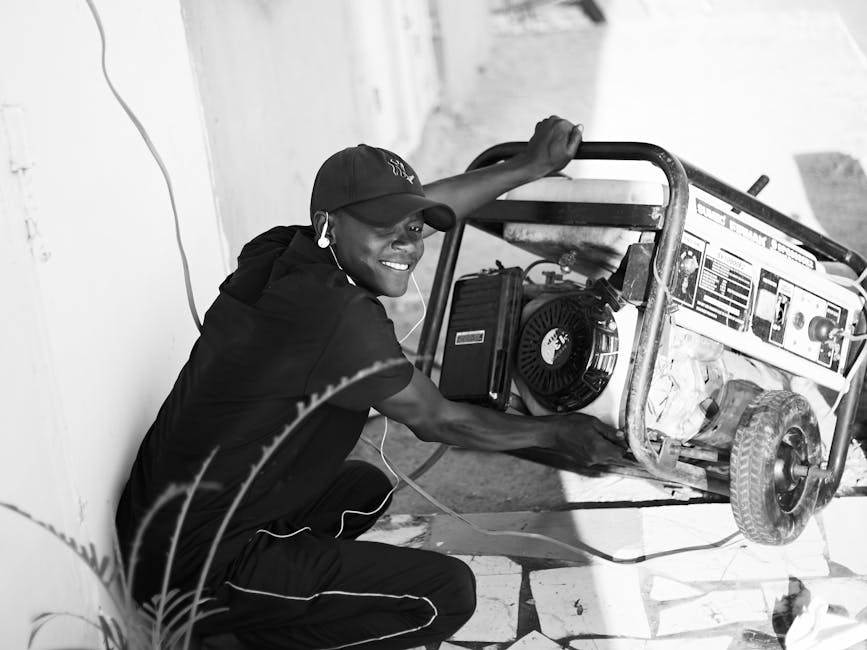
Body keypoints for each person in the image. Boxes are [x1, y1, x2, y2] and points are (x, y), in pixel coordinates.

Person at [115, 116, 625, 650]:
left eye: (413, 228)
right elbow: (437, 420)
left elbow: (415, 212)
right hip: (192, 568)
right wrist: (557, 431)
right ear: (327, 225)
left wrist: (528, 165)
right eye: (385, 226)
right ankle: (226, 629)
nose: (407, 244)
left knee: (362, 490)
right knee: (444, 595)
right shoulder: (339, 314)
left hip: (154, 529)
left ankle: (259, 613)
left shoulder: (279, 251)